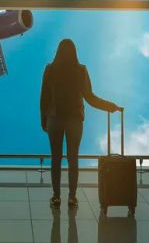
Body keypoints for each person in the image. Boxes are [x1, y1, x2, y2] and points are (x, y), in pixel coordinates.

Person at [40, 38, 122, 208]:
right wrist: (110, 106)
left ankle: (56, 197)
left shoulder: (50, 69)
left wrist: (43, 120)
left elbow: (44, 97)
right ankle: (72, 197)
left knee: (56, 158)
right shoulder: (80, 70)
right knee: (73, 158)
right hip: (74, 119)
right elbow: (90, 98)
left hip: (54, 118)